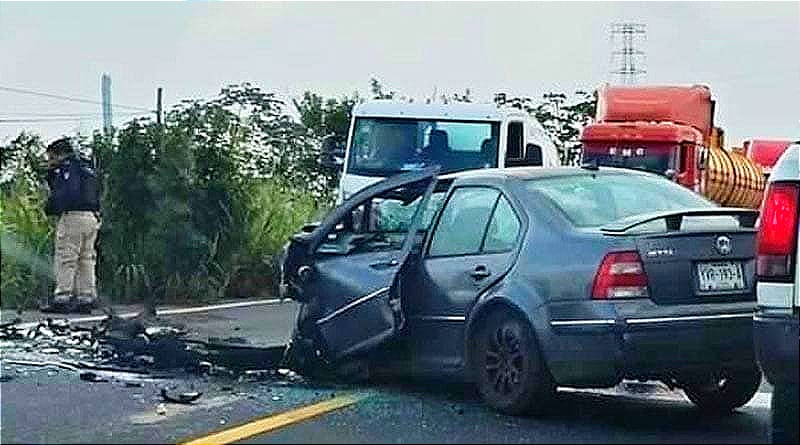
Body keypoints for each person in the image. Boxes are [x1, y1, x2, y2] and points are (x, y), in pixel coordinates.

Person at [42, 137, 101, 314]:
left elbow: (67, 193)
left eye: (51, 157)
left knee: (66, 257)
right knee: (86, 258)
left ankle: (62, 297)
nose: (50, 161)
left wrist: (51, 207)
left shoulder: (66, 168)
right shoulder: (87, 167)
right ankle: (86, 297)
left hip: (72, 216)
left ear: (58, 154)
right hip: (92, 216)